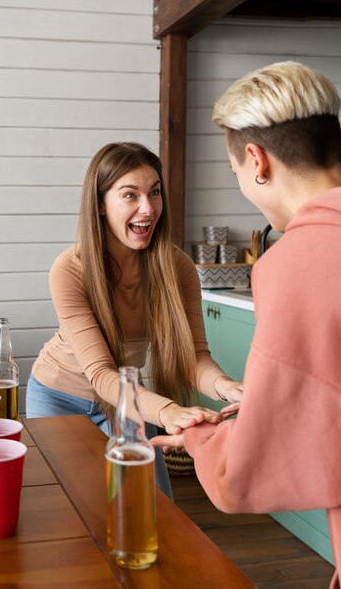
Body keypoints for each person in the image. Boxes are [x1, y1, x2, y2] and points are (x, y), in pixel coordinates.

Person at [152, 61, 341, 586]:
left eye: (233, 170)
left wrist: (202, 441)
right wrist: (264, 407)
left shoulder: (291, 263)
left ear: (256, 160)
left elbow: (245, 475)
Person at [26, 141, 243, 498]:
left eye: (154, 192)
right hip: (58, 397)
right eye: (130, 195)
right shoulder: (70, 269)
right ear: (100, 203)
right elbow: (100, 373)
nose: (148, 208)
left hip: (123, 401)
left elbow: (193, 358)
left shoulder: (178, 268)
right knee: (68, 509)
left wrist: (225, 386)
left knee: (155, 505)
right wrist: (169, 412)